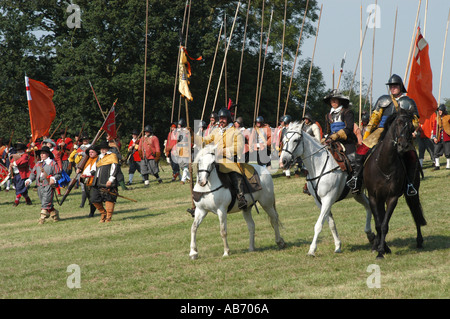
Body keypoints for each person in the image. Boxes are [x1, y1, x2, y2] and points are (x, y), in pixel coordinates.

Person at [347, 74, 420, 194]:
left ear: (401, 86)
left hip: (401, 133)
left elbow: (416, 122)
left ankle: (410, 184)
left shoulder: (408, 102)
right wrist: (366, 137)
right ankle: (356, 179)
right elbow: (374, 120)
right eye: (391, 86)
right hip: (381, 131)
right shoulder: (383, 100)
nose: (393, 88)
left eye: (395, 85)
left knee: (412, 157)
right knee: (360, 151)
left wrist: (408, 130)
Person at [195, 108, 247, 209]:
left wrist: (223, 151)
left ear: (228, 119)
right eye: (220, 118)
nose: (221, 120)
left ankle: (241, 197)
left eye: (224, 118)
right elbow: (205, 140)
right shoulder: (216, 132)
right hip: (217, 159)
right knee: (203, 170)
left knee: (235, 174)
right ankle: (198, 199)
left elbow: (239, 148)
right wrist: (194, 137)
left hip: (230, 160)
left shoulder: (236, 132)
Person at [25, 146, 61, 224]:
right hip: (39, 186)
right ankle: (55, 215)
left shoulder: (53, 163)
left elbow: (58, 174)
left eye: (44, 153)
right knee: (46, 202)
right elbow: (33, 174)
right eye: (41, 153)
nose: (42, 155)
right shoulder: (38, 164)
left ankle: (42, 219)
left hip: (48, 185)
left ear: (48, 154)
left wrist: (53, 178)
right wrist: (29, 180)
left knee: (46, 203)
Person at [90, 141, 119, 223]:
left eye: (104, 148)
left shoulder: (112, 156)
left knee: (109, 199)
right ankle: (103, 213)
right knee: (93, 198)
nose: (102, 150)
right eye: (101, 149)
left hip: (107, 181)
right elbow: (96, 168)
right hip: (98, 181)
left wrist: (111, 180)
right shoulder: (99, 157)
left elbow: (115, 168)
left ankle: (108, 217)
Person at [76, 145, 100, 218]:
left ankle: (93, 212)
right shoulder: (87, 160)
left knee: (93, 198)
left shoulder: (99, 159)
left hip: (94, 181)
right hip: (86, 181)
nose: (90, 153)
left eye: (92, 152)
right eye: (89, 152)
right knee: (90, 198)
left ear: (96, 153)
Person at [9, 142, 33, 206]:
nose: (19, 150)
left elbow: (23, 161)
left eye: (20, 149)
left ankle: (17, 201)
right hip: (16, 174)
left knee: (19, 188)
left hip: (22, 175)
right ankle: (28, 200)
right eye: (18, 149)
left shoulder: (25, 155)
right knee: (21, 188)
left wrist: (14, 163)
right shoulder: (15, 155)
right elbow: (11, 162)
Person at [431, 104, 450, 170]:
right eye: (438, 110)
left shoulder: (448, 117)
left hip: (447, 137)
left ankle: (448, 165)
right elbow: (434, 128)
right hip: (439, 137)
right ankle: (437, 165)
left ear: (443, 110)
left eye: (440, 110)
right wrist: (434, 137)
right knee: (436, 151)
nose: (439, 111)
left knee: (447, 152)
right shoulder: (437, 118)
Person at [175, 119, 191, 184]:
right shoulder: (178, 132)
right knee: (182, 166)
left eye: (179, 125)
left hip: (186, 150)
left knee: (185, 166)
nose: (178, 126)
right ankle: (190, 178)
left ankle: (183, 180)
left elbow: (189, 140)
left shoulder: (187, 132)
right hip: (180, 150)